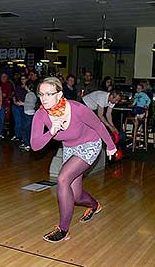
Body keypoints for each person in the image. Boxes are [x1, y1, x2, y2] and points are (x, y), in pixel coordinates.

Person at [31, 77, 116, 243]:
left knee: (62, 179)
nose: (44, 98)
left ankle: (63, 230)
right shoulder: (41, 115)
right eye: (41, 94)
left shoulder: (77, 108)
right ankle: (94, 205)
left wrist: (111, 146)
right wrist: (52, 132)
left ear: (59, 94)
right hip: (70, 149)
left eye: (49, 94)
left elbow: (98, 125)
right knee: (75, 196)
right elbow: (35, 145)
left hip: (90, 145)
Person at [0, 72, 13, 139]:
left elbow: (10, 95)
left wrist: (6, 97)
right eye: (2, 76)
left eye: (5, 76)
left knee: (1, 119)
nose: (3, 78)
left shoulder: (9, 84)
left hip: (3, 104)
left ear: (7, 77)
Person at [19, 80, 37, 151]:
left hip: (28, 114)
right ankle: (26, 143)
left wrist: (22, 104)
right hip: (29, 113)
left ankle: (27, 144)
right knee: (27, 129)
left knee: (25, 129)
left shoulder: (30, 94)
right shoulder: (32, 94)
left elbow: (32, 105)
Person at [12, 75, 27, 141]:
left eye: (24, 79)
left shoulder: (29, 87)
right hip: (16, 106)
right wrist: (14, 101)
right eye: (21, 79)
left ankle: (23, 137)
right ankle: (17, 135)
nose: (23, 80)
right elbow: (14, 95)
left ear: (27, 79)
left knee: (24, 122)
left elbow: (32, 96)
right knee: (17, 122)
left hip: (25, 106)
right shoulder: (18, 87)